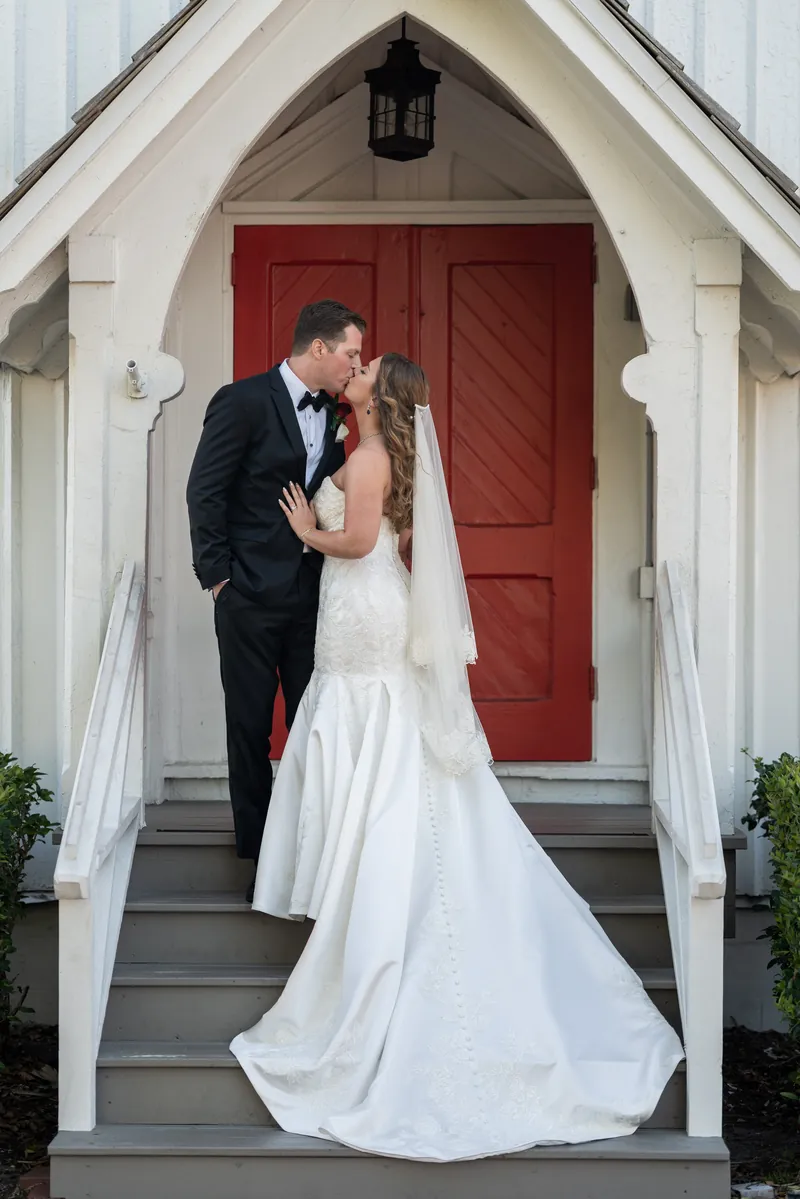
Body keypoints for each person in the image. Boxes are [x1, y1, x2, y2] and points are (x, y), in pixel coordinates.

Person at [229, 353, 684, 1162]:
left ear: (381, 396)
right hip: (359, 611)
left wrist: (306, 531)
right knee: (364, 719)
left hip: (364, 609)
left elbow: (363, 539)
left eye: (364, 367)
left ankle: (371, 876)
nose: (356, 369)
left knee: (370, 715)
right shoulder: (370, 449)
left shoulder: (369, 458)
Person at [186, 300, 365, 901]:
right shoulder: (241, 401)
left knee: (315, 725)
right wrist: (218, 578)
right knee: (249, 728)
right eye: (351, 352)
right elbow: (204, 490)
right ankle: (259, 859)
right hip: (248, 597)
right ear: (319, 348)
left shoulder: (339, 419)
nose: (355, 364)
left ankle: (312, 858)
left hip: (317, 598)